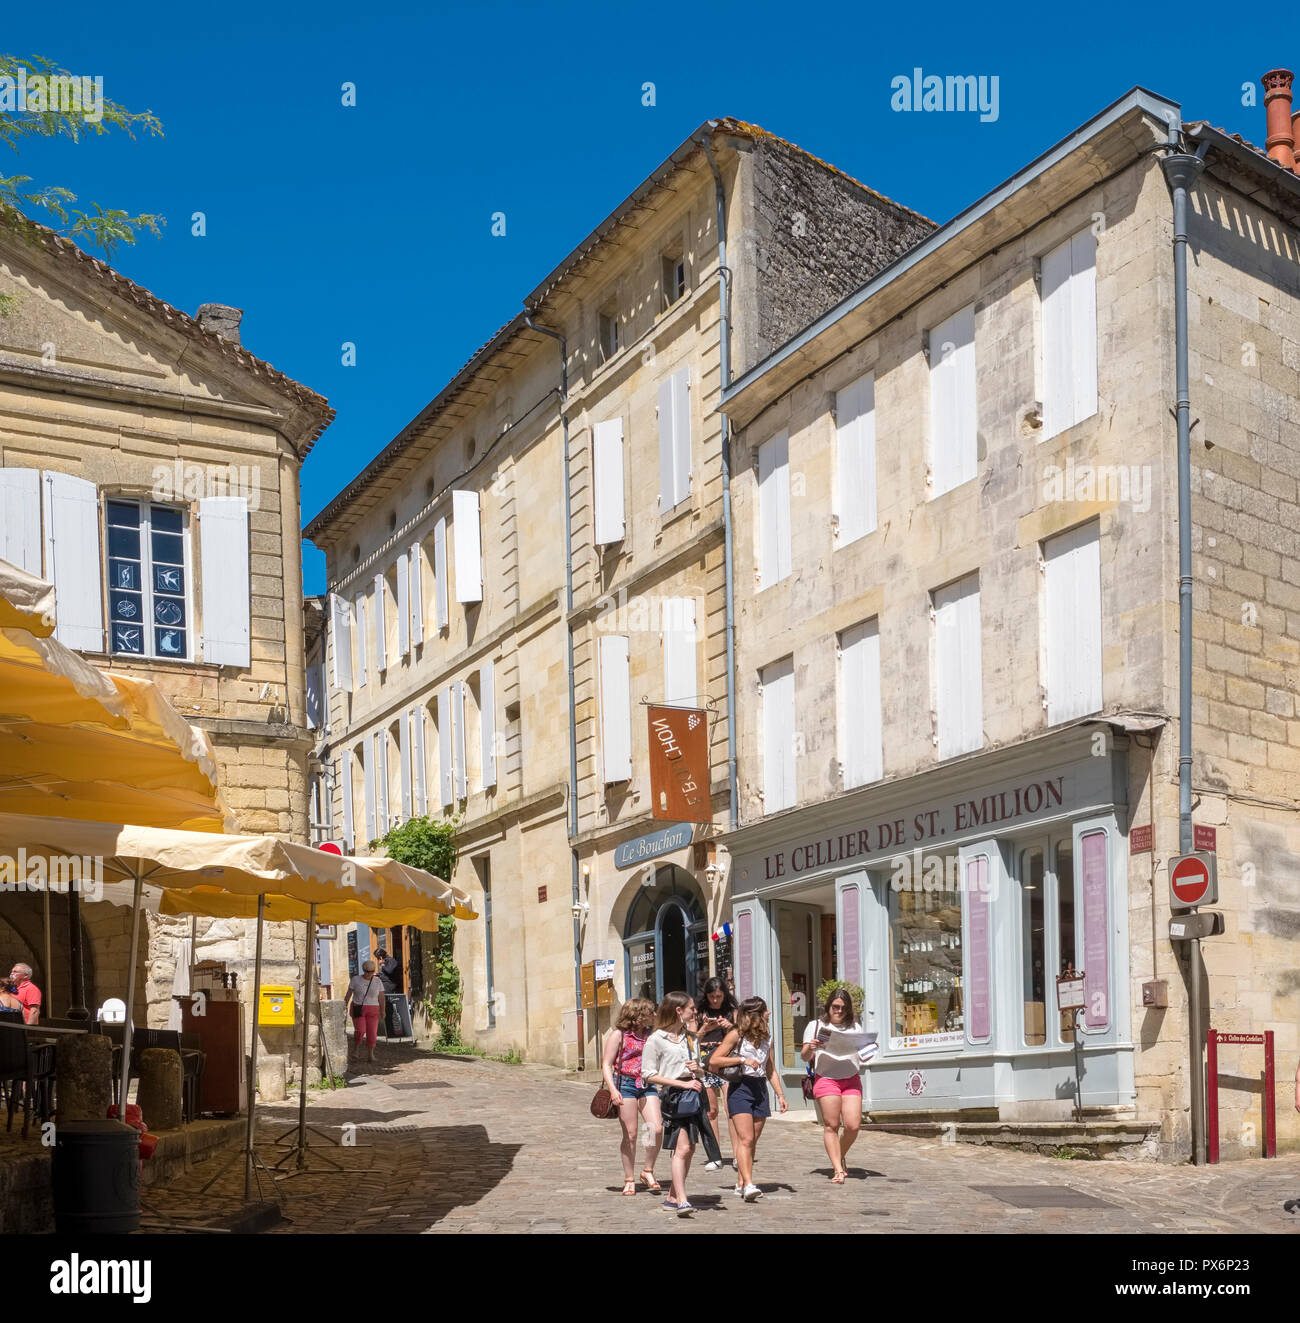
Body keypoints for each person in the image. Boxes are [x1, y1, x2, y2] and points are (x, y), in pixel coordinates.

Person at [710, 996, 787, 1202]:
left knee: (752, 1141)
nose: (768, 1014)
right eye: (765, 1011)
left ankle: (740, 1181)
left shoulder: (767, 1038)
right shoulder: (736, 1034)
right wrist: (742, 1059)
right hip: (740, 1087)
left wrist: (780, 1094)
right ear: (756, 1015)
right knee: (746, 1139)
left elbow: (770, 1069)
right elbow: (714, 1060)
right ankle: (749, 1184)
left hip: (760, 1089)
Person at [641, 991, 708, 1216]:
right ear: (679, 1011)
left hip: (692, 1095)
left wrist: (696, 1070)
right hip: (672, 1096)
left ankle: (672, 1196)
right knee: (682, 1148)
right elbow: (648, 1075)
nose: (695, 1011)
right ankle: (682, 1200)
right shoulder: (656, 1039)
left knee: (690, 1148)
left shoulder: (692, 1038)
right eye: (691, 1008)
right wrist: (680, 1084)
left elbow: (700, 1069)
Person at [802, 985, 867, 1184]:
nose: (839, 1011)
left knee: (853, 1125)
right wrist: (811, 1048)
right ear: (828, 1006)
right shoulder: (815, 1026)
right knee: (831, 1125)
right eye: (835, 1007)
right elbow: (805, 1057)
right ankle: (838, 1169)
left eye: (843, 1008)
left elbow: (863, 1056)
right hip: (827, 1078)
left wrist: (870, 1049)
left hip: (851, 1078)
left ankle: (839, 1154)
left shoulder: (855, 1027)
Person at [600, 997, 663, 1196]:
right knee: (631, 1134)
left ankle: (647, 1170)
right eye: (650, 1011)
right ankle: (629, 1178)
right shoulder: (619, 1035)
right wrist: (613, 1090)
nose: (654, 1015)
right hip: (624, 1085)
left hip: (646, 1084)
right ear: (638, 1014)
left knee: (655, 1128)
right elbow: (606, 1064)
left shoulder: (650, 1035)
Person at [693, 976, 737, 1171]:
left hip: (726, 1059)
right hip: (704, 1059)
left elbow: (740, 1035)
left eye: (719, 996)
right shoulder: (699, 1011)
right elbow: (692, 1038)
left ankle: (738, 1153)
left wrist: (731, 1027)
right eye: (712, 996)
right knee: (711, 1110)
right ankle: (715, 1154)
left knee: (732, 1109)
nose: (715, 1000)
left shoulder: (732, 1011)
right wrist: (705, 1028)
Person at [345, 960, 384, 1062]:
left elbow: (381, 997)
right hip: (358, 1008)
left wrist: (383, 1010)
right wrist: (344, 1006)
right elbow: (349, 993)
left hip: (373, 1009)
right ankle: (356, 1049)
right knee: (360, 1030)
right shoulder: (356, 979)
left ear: (374, 971)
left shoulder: (377, 981)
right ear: (363, 970)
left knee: (372, 1033)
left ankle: (370, 1055)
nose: (369, 973)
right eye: (367, 971)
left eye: (371, 971)